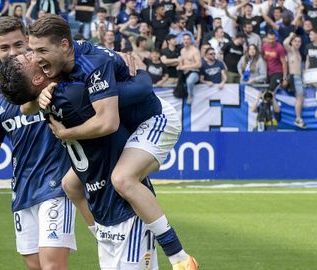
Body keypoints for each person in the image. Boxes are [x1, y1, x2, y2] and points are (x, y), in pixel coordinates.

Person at [12, 14, 199, 270]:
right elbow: (25, 109)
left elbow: (108, 123)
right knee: (70, 184)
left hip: (155, 119)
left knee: (122, 179)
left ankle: (179, 257)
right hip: (130, 122)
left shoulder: (91, 65)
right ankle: (100, 234)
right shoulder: (60, 66)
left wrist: (66, 134)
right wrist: (38, 98)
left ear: (65, 45)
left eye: (41, 50)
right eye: (32, 50)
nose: (36, 57)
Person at [0, 52, 161, 269]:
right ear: (38, 80)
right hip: (121, 203)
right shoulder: (74, 92)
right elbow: (140, 89)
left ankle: (100, 232)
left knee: (70, 184)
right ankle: (177, 254)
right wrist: (137, 68)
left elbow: (25, 108)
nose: (33, 54)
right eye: (28, 58)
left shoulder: (52, 97)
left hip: (107, 202)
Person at [0, 16, 76, 270]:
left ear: (28, 42)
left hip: (57, 184)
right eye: (4, 47)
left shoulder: (51, 74)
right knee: (34, 265)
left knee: (53, 266)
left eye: (19, 45)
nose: (13, 52)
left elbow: (79, 53)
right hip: (23, 188)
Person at [283, 33, 306, 129]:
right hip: (294, 77)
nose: (297, 43)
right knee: (300, 97)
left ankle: (298, 118)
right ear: (292, 42)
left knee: (300, 98)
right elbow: (285, 43)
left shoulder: (298, 53)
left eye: (299, 41)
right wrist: (290, 36)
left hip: (299, 77)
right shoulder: (291, 50)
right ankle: (298, 118)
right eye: (295, 41)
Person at [177, 33, 201, 104]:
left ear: (191, 41)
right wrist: (180, 65)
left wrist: (186, 67)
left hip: (194, 72)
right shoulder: (182, 50)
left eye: (188, 39)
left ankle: (190, 95)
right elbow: (182, 61)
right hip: (184, 72)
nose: (186, 41)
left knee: (189, 81)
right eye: (184, 39)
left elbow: (199, 64)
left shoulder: (195, 50)